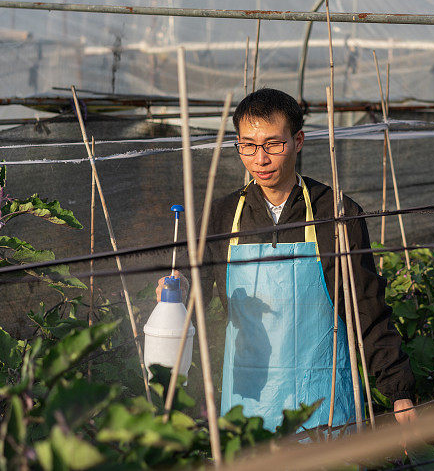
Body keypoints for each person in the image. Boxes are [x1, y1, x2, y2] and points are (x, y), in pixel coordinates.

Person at [157, 88, 415, 431]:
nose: (259, 159)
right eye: (247, 145)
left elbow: (366, 305)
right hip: (249, 403)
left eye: (272, 145)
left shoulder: (335, 213)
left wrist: (399, 391)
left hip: (324, 399)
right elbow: (194, 304)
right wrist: (176, 295)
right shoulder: (221, 216)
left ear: (298, 141)